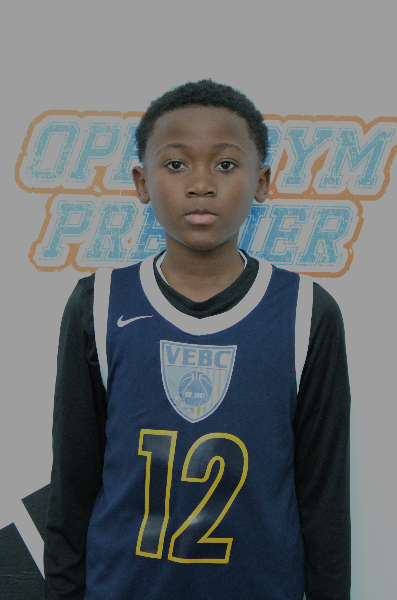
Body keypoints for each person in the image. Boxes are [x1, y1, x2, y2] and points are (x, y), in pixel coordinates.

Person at [44, 79, 351, 600]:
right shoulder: (97, 304)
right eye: (176, 164)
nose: (202, 184)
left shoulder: (306, 312)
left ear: (262, 181)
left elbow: (324, 497)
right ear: (142, 182)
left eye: (226, 164)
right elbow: (72, 485)